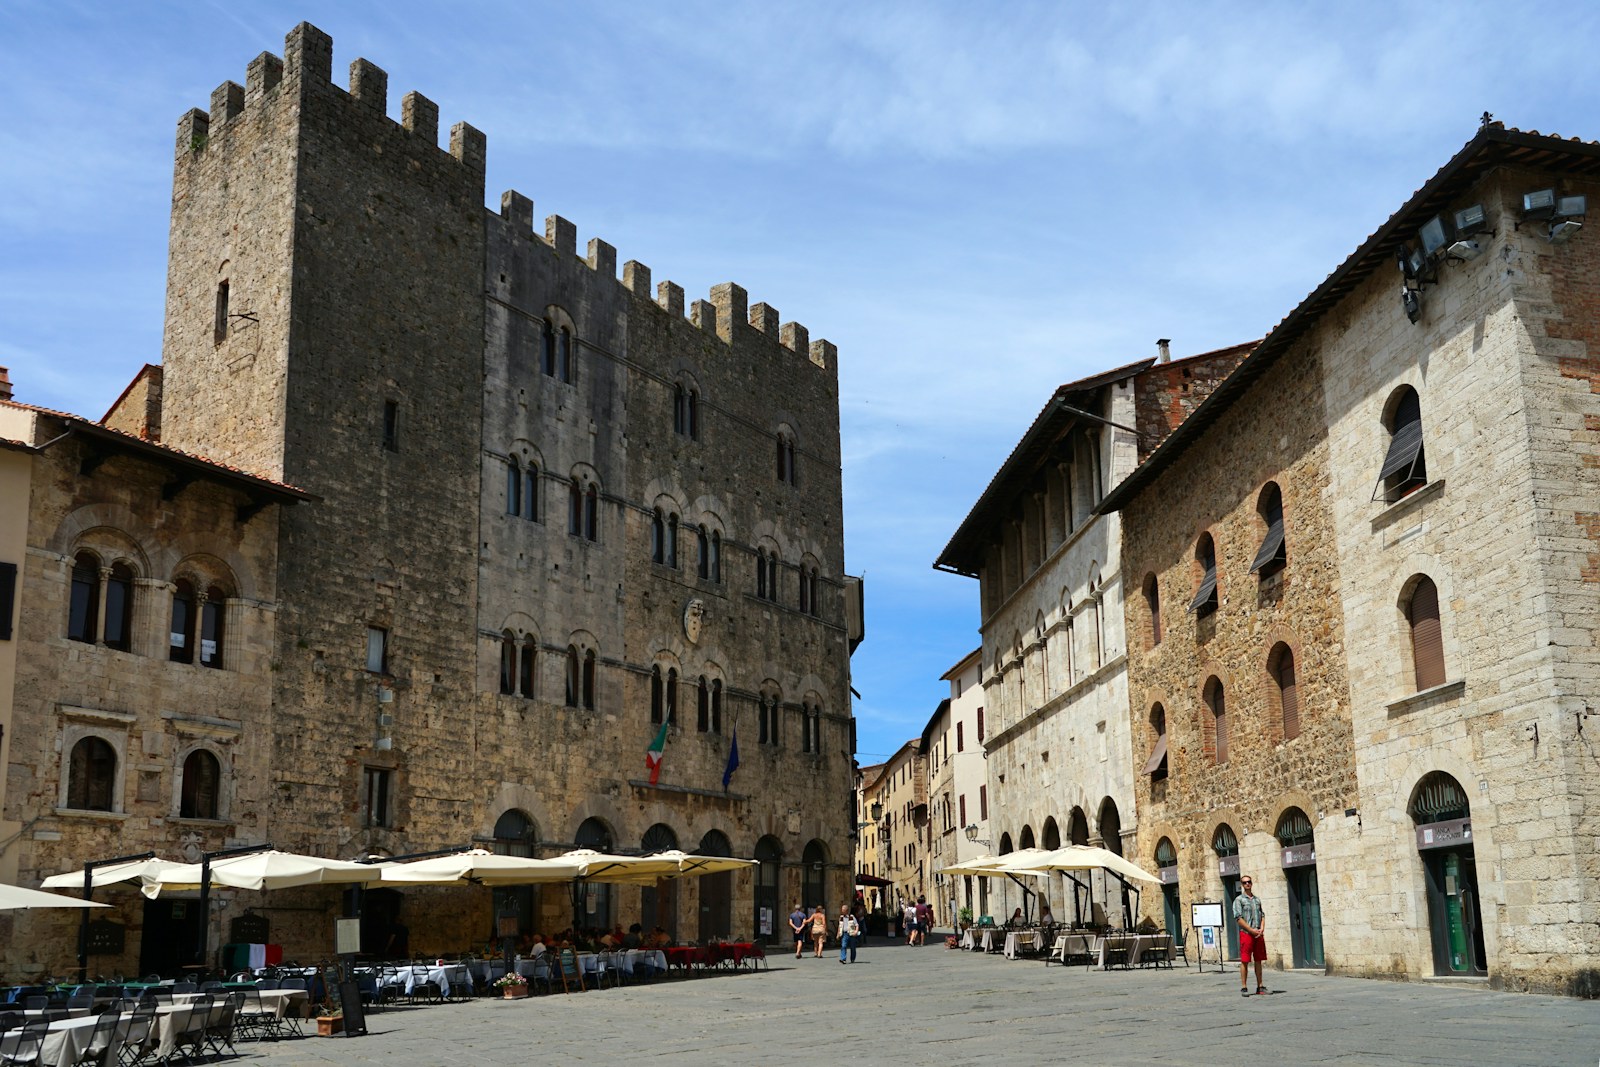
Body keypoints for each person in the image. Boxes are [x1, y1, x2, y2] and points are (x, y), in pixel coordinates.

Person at [1233, 874, 1267, 997]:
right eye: (1245, 882)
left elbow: (1262, 914)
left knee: (1258, 960)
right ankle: (1244, 986)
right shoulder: (1239, 900)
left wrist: (1261, 928)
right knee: (1245, 960)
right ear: (1242, 885)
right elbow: (1238, 918)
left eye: (1249, 882)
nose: (1247, 884)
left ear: (1251, 883)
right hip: (1247, 933)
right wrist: (1251, 930)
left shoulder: (1257, 900)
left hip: (1258, 933)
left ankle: (1260, 986)